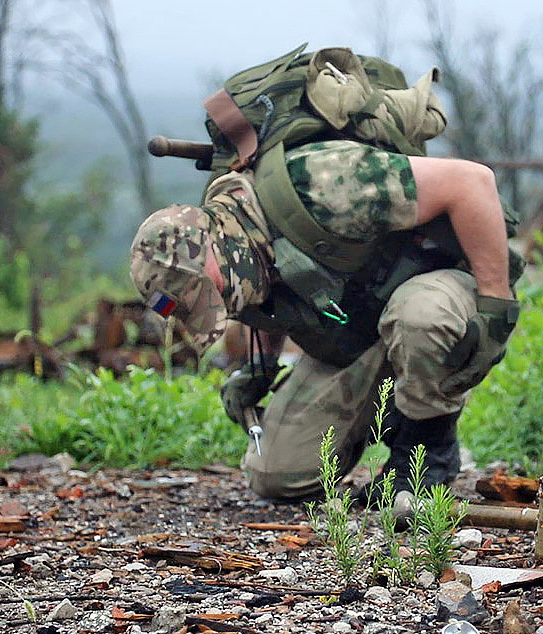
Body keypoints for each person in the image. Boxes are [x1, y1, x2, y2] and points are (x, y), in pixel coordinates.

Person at [129, 138, 520, 503]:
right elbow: (264, 301)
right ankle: (394, 411)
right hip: (356, 329)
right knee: (276, 474)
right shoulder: (236, 254)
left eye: (210, 294)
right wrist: (259, 369)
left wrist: (496, 307)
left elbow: (471, 182)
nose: (218, 306)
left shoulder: (323, 182)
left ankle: (427, 452)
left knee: (419, 317)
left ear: (211, 247)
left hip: (444, 284)